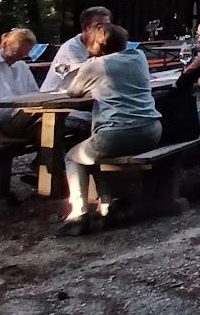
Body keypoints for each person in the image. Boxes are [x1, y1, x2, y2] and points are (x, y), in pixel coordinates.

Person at [59, 23, 161, 235]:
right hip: (151, 129)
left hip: (118, 133)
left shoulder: (96, 65)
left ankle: (78, 214)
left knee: (72, 156)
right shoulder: (138, 56)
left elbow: (74, 92)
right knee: (90, 152)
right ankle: (107, 205)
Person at [41, 5, 112, 91]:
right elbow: (90, 72)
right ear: (86, 28)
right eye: (99, 26)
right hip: (53, 97)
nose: (105, 29)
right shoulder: (72, 48)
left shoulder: (103, 44)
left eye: (107, 25)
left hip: (78, 97)